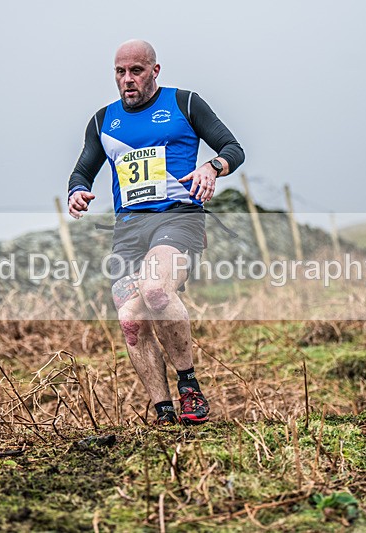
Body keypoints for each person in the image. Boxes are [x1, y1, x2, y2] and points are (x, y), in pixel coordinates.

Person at [67, 40, 244, 426]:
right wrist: (76, 191)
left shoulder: (185, 103)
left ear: (154, 71)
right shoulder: (103, 121)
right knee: (131, 318)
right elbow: (83, 170)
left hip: (179, 218)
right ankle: (163, 411)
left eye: (136, 71)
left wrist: (211, 168)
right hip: (129, 228)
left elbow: (233, 147)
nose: (127, 80)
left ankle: (189, 385)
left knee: (155, 290)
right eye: (120, 72)